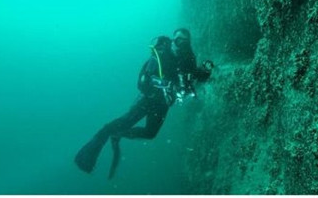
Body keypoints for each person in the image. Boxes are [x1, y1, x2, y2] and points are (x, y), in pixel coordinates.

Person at [74, 35, 213, 179]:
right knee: (125, 122)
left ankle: (118, 133)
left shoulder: (180, 60)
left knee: (150, 133)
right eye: (176, 40)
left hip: (162, 104)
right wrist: (164, 84)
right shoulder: (157, 59)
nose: (178, 43)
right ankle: (92, 148)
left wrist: (206, 70)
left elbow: (192, 76)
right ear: (167, 43)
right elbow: (145, 80)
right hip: (147, 101)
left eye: (183, 39)